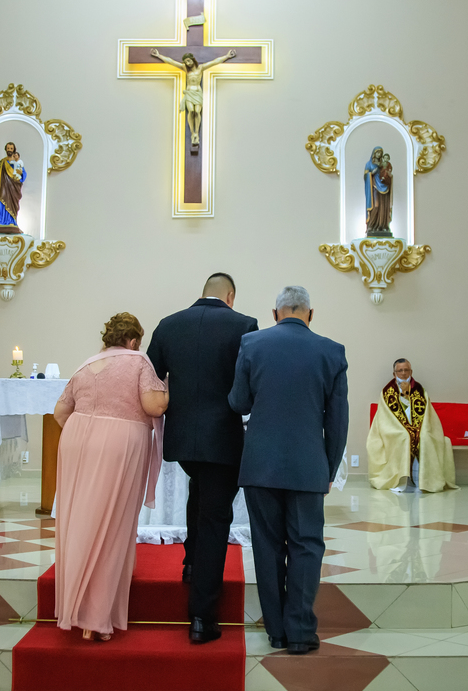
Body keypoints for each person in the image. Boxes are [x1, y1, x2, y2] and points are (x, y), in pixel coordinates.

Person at [229, 286, 348, 655]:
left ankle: (276, 632)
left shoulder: (252, 344)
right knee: (307, 545)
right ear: (310, 314)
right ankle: (300, 631)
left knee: (266, 546)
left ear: (274, 312)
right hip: (308, 466)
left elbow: (238, 401)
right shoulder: (331, 351)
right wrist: (327, 468)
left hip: (260, 465)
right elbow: (338, 420)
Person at [146, 272, 259, 644]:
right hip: (223, 438)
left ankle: (191, 562)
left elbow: (150, 379)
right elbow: (248, 383)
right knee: (215, 517)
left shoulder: (168, 325)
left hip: (181, 439)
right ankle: (202, 615)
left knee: (201, 492)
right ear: (230, 296)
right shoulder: (244, 325)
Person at [52, 313, 168, 642]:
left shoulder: (85, 365)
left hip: (75, 441)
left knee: (81, 522)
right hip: (118, 445)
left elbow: (61, 412)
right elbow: (153, 406)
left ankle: (74, 608)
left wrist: (87, 434)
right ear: (133, 341)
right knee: (112, 526)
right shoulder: (138, 361)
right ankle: (95, 619)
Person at [367, 358, 457, 493]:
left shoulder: (420, 390)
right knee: (404, 436)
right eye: (400, 370)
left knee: (425, 437)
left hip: (419, 426)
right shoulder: (387, 391)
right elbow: (385, 417)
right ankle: (401, 482)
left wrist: (408, 396)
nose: (403, 373)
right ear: (394, 373)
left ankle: (425, 482)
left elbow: (427, 415)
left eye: (406, 370)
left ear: (411, 371)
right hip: (395, 428)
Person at [149, 48, 236, 146]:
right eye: (186, 62)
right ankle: (192, 133)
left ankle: (197, 133)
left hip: (198, 93)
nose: (188, 63)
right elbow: (171, 62)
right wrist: (158, 55)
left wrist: (227, 56)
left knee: (197, 111)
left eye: (189, 61)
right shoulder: (185, 69)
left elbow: (214, 62)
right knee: (191, 111)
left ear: (193, 59)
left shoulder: (201, 68)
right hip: (189, 92)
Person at [0, 141, 25, 233]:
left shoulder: (17, 162)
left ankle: (11, 221)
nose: (9, 150)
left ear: (14, 150)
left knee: (12, 204)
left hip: (13, 188)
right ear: (6, 149)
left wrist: (20, 174)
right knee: (2, 202)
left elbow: (23, 174)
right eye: (8, 148)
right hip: (3, 187)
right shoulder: (2, 162)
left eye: (11, 149)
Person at [363, 147, 393, 236]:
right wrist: (371, 173)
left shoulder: (383, 164)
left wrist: (389, 175)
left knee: (383, 207)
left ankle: (382, 225)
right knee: (375, 206)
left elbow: (388, 172)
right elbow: (365, 176)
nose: (378, 155)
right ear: (373, 154)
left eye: (380, 153)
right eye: (377, 153)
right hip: (375, 188)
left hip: (384, 187)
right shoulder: (369, 164)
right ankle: (371, 226)